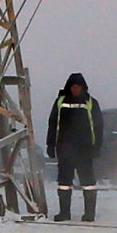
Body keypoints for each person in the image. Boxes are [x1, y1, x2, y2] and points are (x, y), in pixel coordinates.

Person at [44, 72, 103, 222]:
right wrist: (50, 144)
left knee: (88, 182)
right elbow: (52, 124)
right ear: (69, 87)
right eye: (74, 86)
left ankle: (89, 213)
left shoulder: (91, 103)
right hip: (64, 149)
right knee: (64, 182)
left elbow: (98, 126)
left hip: (85, 149)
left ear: (83, 87)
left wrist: (97, 147)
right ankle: (64, 213)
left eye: (79, 86)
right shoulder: (60, 101)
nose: (76, 89)